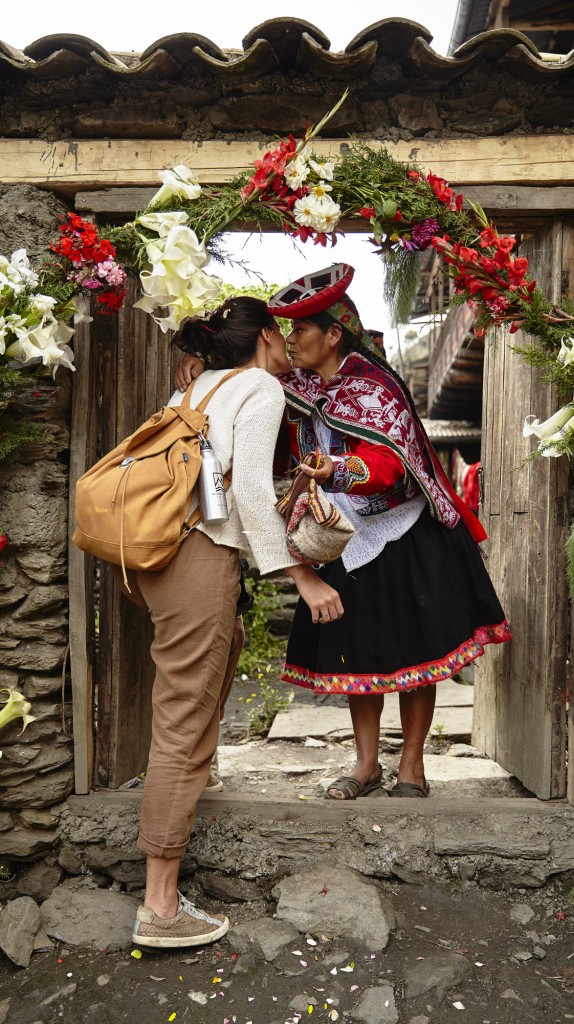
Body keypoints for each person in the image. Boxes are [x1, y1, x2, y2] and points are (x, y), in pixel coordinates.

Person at [130, 296, 344, 949]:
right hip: (195, 556)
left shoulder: (199, 387)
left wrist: (282, 502)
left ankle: (198, 776)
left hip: (158, 555)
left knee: (227, 651)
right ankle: (159, 906)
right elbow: (243, 490)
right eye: (286, 334)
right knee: (183, 721)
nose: (290, 346)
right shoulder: (258, 385)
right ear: (269, 338)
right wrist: (302, 576)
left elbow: (215, 485)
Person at [267, 264, 511, 800]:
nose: (293, 339)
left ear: (333, 334)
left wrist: (340, 469)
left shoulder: (376, 388)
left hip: (402, 534)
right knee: (360, 653)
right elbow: (285, 444)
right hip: (342, 534)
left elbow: (389, 463)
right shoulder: (299, 389)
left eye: (302, 329)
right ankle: (365, 764)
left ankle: (413, 767)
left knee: (416, 655)